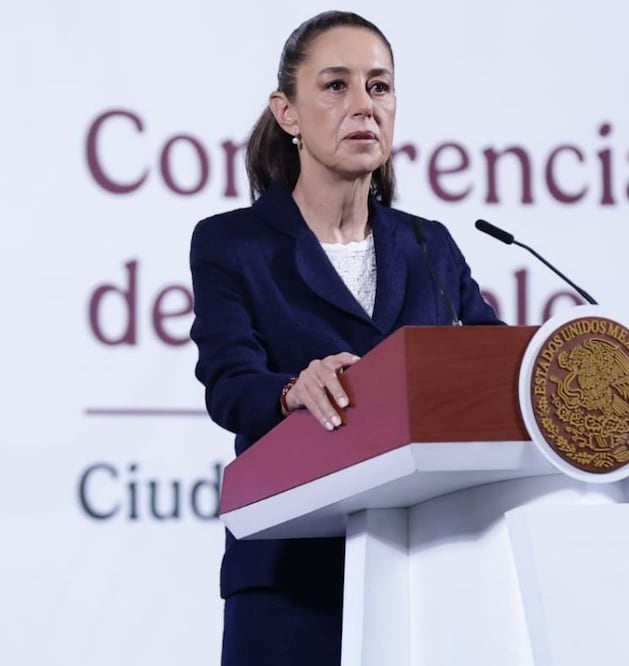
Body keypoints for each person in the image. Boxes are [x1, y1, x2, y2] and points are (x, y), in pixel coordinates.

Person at [188, 11, 502, 665]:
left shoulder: (428, 245)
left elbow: (493, 366)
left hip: (427, 575)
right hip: (289, 580)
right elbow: (230, 386)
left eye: (379, 86)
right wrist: (291, 391)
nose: (363, 104)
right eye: (335, 85)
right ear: (288, 112)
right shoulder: (232, 243)